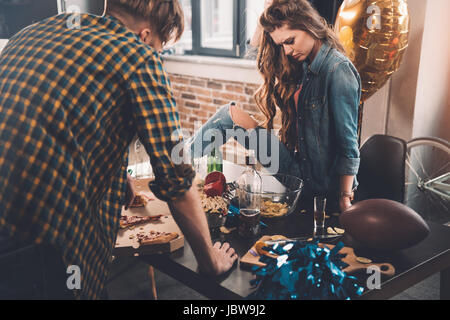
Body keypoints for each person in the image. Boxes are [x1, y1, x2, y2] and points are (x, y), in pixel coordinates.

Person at [0, 0, 236, 300]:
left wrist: (112, 170)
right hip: (36, 244)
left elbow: (53, 118)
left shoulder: (30, 34)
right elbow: (176, 178)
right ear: (146, 35)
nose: (158, 55)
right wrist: (210, 263)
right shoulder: (138, 56)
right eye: (160, 47)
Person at [189, 0, 361, 214]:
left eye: (290, 41)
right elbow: (255, 46)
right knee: (229, 116)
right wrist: (268, 9)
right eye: (282, 45)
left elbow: (349, 146)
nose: (287, 51)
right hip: (298, 171)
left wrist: (344, 199)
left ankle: (174, 166)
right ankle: (178, 165)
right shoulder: (306, 63)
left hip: (322, 189)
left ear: (308, 25)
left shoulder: (337, 70)